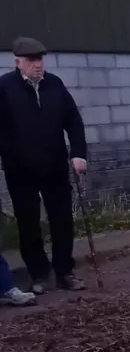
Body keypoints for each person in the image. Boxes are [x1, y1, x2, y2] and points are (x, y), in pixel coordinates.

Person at [0, 36, 88, 292]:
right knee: (28, 222)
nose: (37, 65)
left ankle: (65, 271)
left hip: (55, 166)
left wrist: (78, 153)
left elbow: (73, 120)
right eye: (31, 60)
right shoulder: (5, 88)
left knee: (62, 220)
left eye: (40, 59)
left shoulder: (55, 85)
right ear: (18, 62)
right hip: (20, 170)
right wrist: (12, 153)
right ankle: (38, 273)